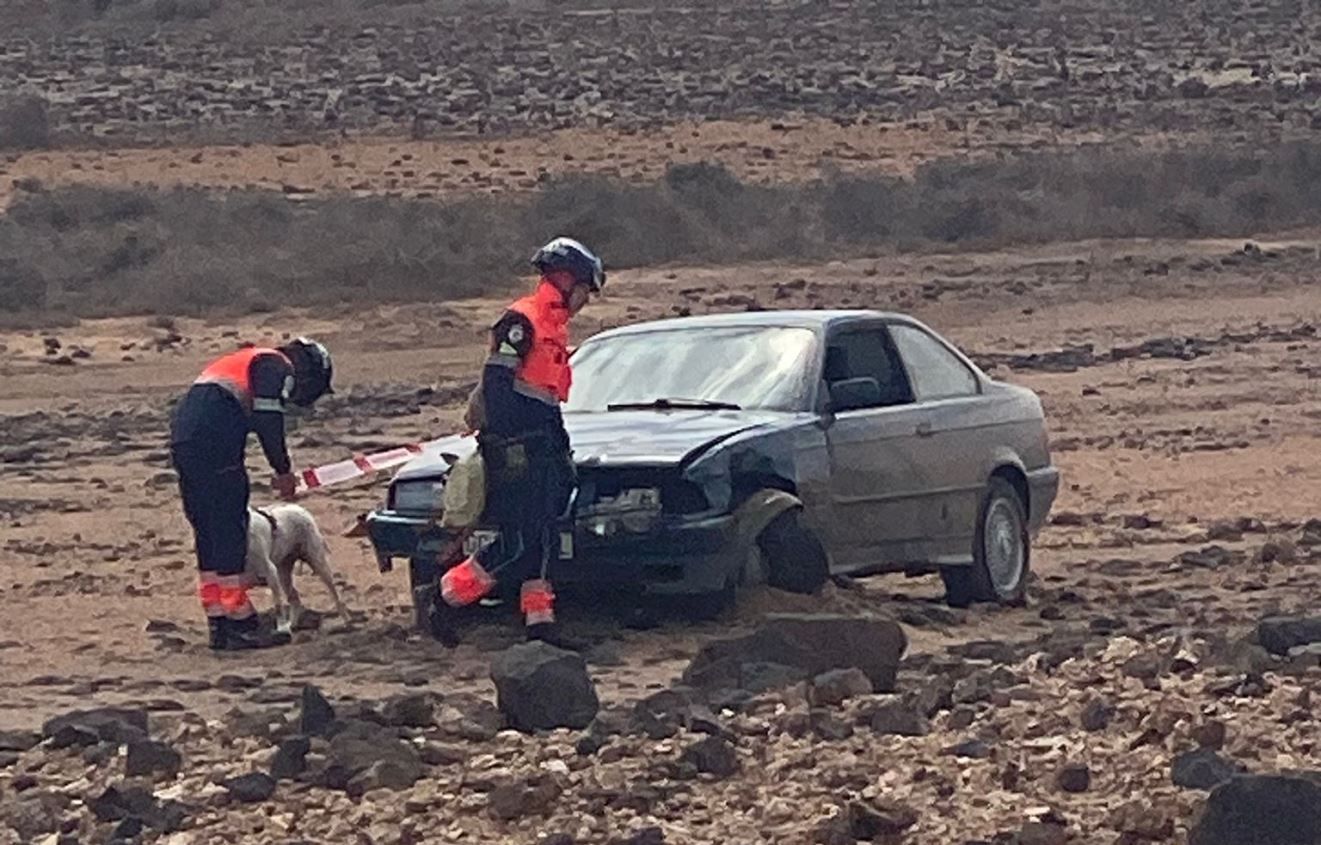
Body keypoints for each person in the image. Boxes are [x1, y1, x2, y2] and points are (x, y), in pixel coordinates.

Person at [430, 237, 604, 648]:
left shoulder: (554, 329)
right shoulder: (521, 321)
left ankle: (539, 626)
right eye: (584, 290)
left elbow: (546, 397)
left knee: (542, 536)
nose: (585, 301)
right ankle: (444, 597)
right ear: (565, 280)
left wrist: (558, 448)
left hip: (542, 445)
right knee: (519, 544)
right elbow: (497, 386)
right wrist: (511, 442)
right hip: (514, 447)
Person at [169, 337, 335, 651]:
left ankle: (218, 621)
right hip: (216, 446)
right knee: (231, 528)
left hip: (184, 444)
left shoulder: (242, 362)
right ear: (307, 371)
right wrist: (283, 471)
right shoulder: (275, 366)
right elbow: (268, 420)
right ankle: (240, 623)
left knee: (207, 531)